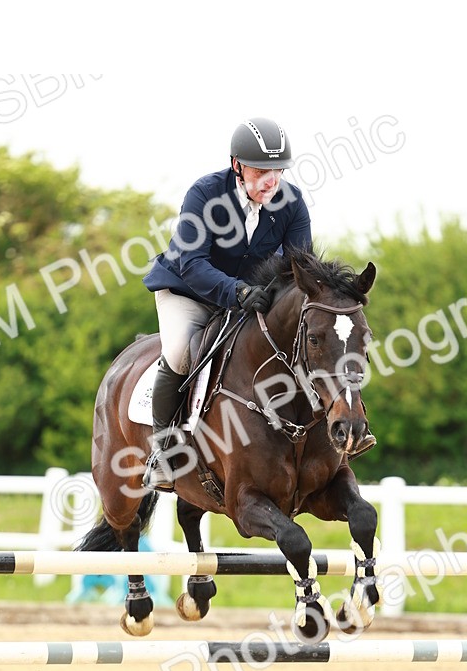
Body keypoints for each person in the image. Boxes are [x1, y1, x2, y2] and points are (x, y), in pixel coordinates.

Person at [141, 117, 373, 490]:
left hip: (252, 298)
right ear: (237, 165)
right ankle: (164, 450)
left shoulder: (291, 203)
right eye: (262, 170)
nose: (271, 181)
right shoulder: (204, 195)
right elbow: (193, 263)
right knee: (182, 351)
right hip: (190, 291)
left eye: (278, 171)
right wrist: (237, 292)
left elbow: (302, 268)